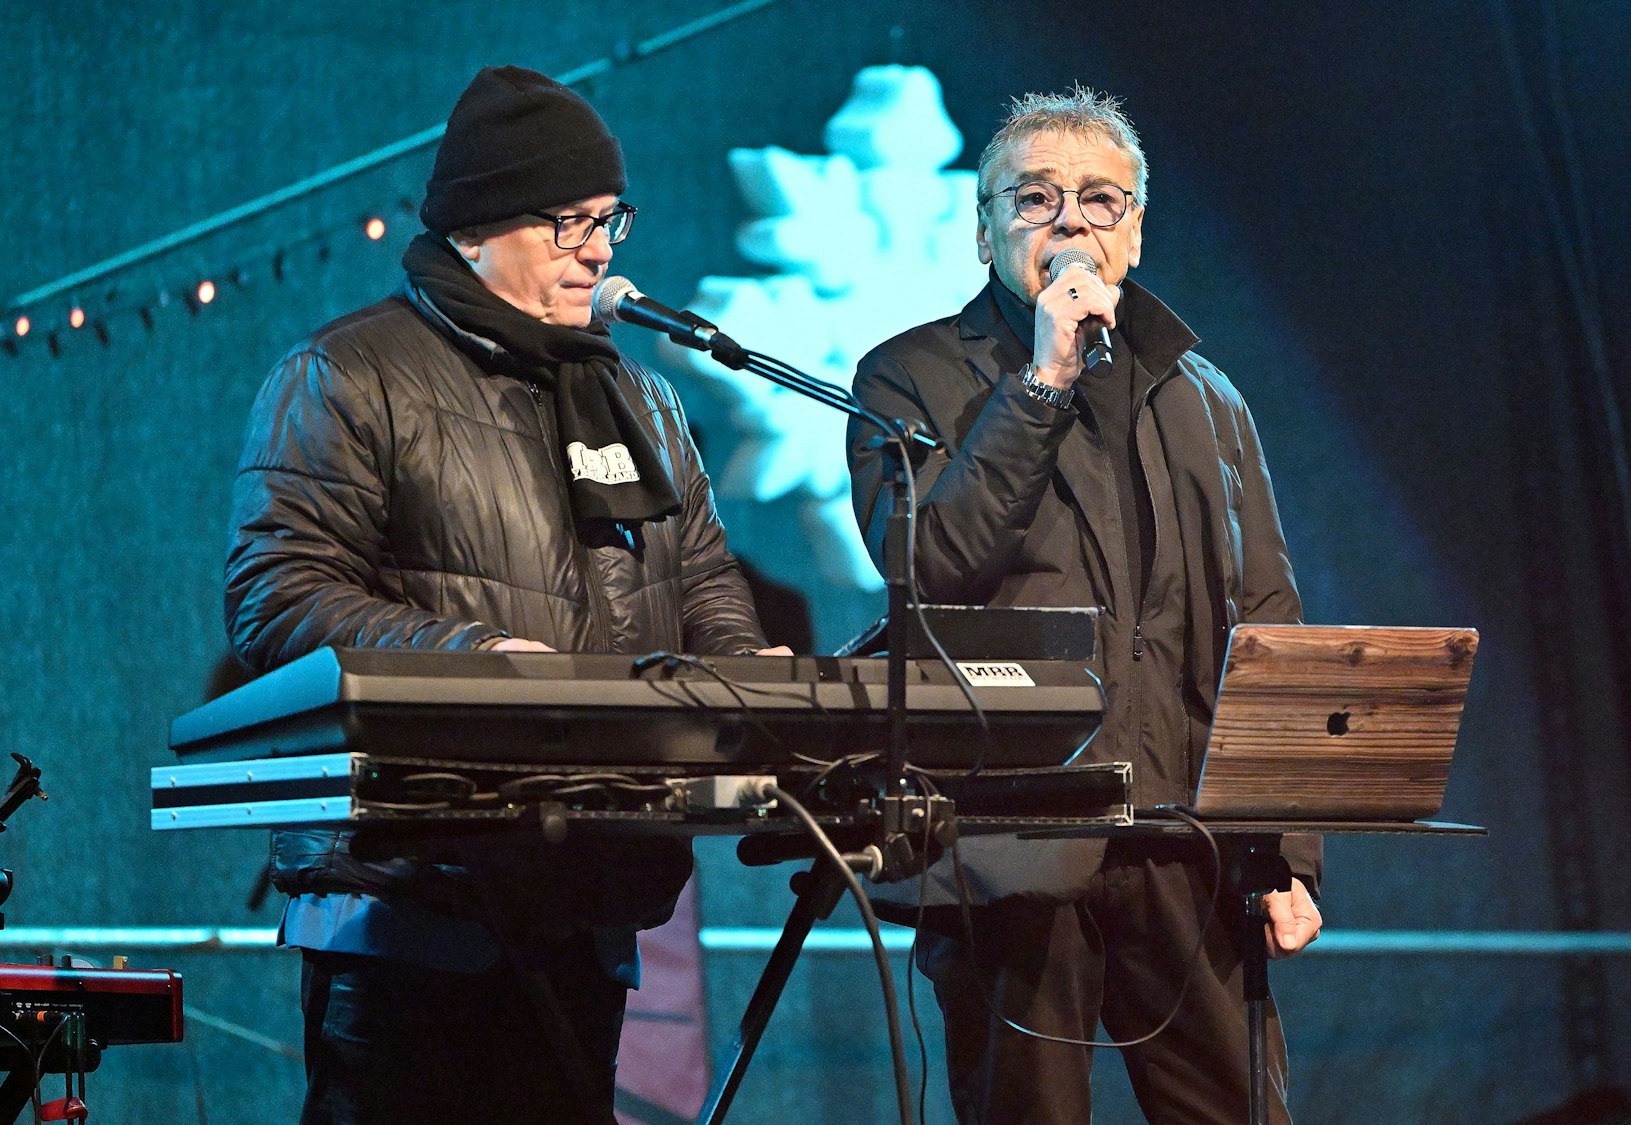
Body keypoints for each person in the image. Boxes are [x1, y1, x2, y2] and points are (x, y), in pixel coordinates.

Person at [224, 66, 780, 1124]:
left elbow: (702, 580)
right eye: (568, 221)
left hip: (589, 893)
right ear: (478, 224)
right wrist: (475, 665)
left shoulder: (640, 397)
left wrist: (747, 676)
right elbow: (276, 595)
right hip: (408, 910)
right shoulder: (349, 373)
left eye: (609, 217)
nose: (601, 246)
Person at [847, 86, 1324, 1124]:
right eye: (1035, 198)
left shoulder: (1207, 397)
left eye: (1100, 200)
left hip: (1186, 847)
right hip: (1009, 847)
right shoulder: (906, 379)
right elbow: (930, 562)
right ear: (983, 230)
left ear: (1136, 231)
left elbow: (1266, 623)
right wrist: (1042, 380)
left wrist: (1285, 852)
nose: (1070, 221)